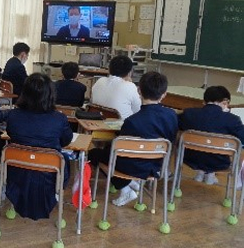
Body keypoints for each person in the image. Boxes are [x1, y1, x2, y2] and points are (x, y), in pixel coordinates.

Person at [6, 73, 73, 220]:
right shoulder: (59, 119)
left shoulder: (13, 116)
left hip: (18, 172)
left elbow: (11, 135)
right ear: (50, 94)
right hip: (48, 175)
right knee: (66, 159)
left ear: (24, 93)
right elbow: (66, 141)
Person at [106, 71, 178, 207]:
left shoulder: (132, 121)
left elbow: (120, 147)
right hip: (157, 166)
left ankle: (125, 187)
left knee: (100, 154)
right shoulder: (172, 116)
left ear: (139, 91)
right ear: (164, 94)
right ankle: (132, 183)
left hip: (132, 167)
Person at [179, 86, 244, 185]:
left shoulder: (189, 114)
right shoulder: (233, 120)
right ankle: (212, 175)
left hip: (190, 158)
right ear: (225, 102)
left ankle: (201, 173)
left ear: (204, 101)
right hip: (219, 162)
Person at [90, 55, 141, 120]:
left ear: (109, 69)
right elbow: (138, 111)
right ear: (129, 73)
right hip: (121, 127)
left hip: (97, 126)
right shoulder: (130, 86)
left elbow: (92, 100)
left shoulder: (99, 81)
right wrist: (129, 83)